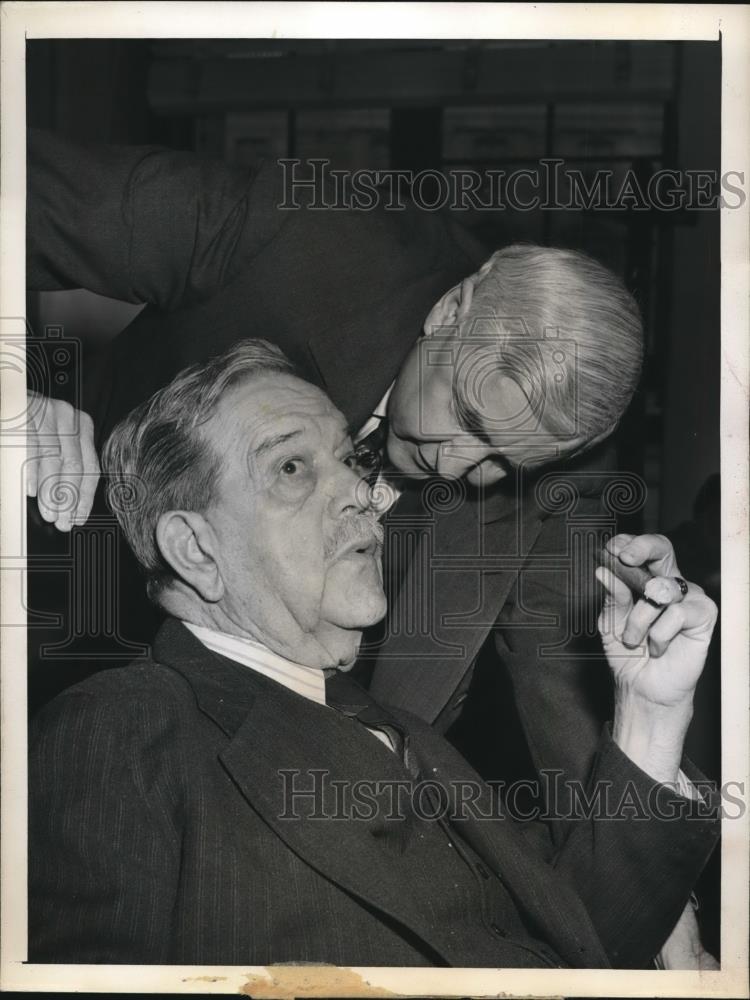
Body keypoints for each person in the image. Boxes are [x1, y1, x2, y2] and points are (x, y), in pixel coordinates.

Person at [28, 339, 718, 967]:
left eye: (350, 459)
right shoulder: (122, 728)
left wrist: (652, 712)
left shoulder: (406, 734)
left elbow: (578, 950)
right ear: (196, 551)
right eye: (292, 467)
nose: (364, 494)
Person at [26, 129, 642, 799]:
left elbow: (577, 736)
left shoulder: (561, 461)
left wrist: (653, 723)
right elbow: (22, 190)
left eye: (501, 460)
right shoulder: (300, 236)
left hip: (246, 780)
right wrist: (12, 397)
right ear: (448, 312)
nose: (454, 465)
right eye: (468, 416)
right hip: (43, 581)